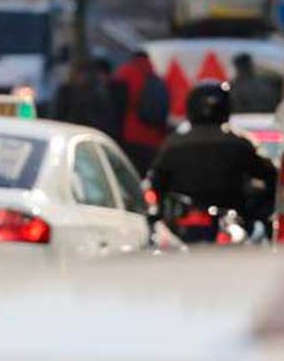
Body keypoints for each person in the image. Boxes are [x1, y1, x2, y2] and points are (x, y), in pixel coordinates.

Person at [149, 81, 277, 241]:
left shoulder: (172, 144)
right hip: (227, 223)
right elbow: (271, 176)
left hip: (187, 225)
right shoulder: (239, 143)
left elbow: (156, 183)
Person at [110, 51, 167, 173]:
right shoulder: (156, 77)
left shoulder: (125, 74)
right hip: (154, 138)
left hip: (131, 135)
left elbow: (116, 106)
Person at [53, 58, 119, 140]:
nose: (81, 77)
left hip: (90, 136)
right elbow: (57, 114)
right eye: (78, 73)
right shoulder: (66, 91)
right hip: (67, 133)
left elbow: (106, 121)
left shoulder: (97, 94)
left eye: (84, 73)